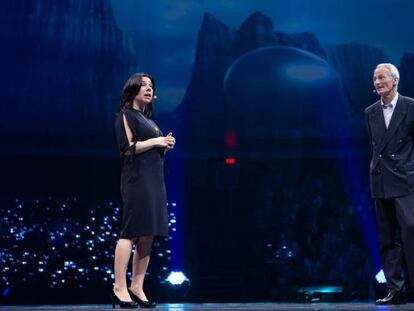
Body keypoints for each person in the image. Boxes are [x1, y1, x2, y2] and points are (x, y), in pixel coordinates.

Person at [111, 73, 176, 309]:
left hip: (155, 181)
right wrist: (157, 142)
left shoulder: (149, 120)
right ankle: (119, 287)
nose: (149, 89)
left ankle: (137, 286)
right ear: (133, 89)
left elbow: (151, 151)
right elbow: (127, 149)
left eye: (151, 86)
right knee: (131, 232)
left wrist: (164, 144)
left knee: (148, 233)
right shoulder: (126, 116)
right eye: (144, 85)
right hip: (137, 180)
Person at [365, 63, 414, 305]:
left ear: (395, 80)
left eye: (382, 77)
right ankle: (396, 290)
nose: (377, 82)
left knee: (410, 232)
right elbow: (376, 148)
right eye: (375, 78)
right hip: (380, 180)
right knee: (387, 238)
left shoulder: (410, 106)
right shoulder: (370, 112)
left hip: (405, 180)